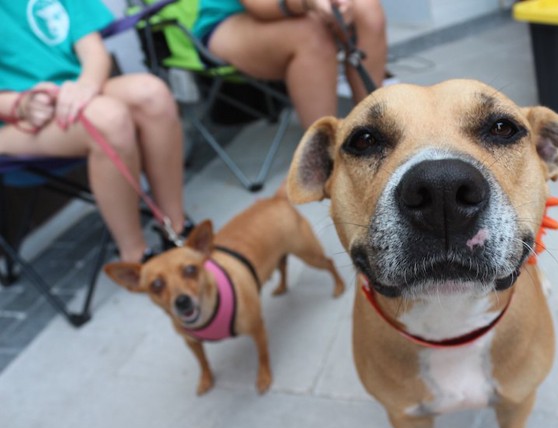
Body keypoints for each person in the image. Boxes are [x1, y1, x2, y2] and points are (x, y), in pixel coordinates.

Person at [0, 0, 189, 264]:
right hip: (11, 126)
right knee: (109, 119)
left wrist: (85, 87)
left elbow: (93, 51)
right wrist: (19, 105)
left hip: (73, 94)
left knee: (152, 94)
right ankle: (135, 258)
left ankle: (176, 231)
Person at [193, 0, 388, 129]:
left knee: (367, 8)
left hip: (303, 10)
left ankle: (374, 125)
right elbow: (261, 6)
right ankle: (325, 155)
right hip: (226, 19)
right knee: (311, 37)